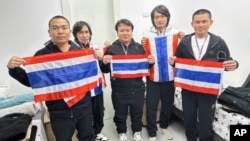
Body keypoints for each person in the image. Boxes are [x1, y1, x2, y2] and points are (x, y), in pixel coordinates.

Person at [7, 15, 95, 141]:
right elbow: (34, 82)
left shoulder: (81, 52)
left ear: (70, 32)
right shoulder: (42, 55)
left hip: (84, 107)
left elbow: (91, 75)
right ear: (49, 32)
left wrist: (99, 57)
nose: (60, 31)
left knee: (88, 137)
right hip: (59, 111)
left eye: (64, 28)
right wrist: (13, 69)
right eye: (55, 28)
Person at [169, 9, 239, 141]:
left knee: (206, 119)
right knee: (189, 118)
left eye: (204, 21)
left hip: (208, 90)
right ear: (192, 24)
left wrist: (235, 63)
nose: (200, 25)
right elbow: (178, 63)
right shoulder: (184, 42)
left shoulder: (219, 42)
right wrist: (173, 62)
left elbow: (227, 62)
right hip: (188, 90)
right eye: (197, 22)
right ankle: (190, 138)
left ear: (210, 22)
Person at [101, 19, 155, 141]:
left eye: (127, 30)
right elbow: (105, 70)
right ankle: (122, 132)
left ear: (132, 31)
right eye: (121, 30)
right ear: (117, 32)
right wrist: (104, 63)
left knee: (137, 112)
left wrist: (151, 63)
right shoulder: (111, 49)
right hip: (119, 90)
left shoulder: (139, 48)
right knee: (120, 114)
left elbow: (145, 67)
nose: (125, 33)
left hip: (137, 88)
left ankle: (137, 131)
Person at [141, 5, 184, 141]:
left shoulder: (177, 34)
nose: (159, 19)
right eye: (156, 17)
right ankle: (152, 132)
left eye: (162, 16)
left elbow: (183, 53)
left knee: (167, 103)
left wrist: (183, 38)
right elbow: (143, 55)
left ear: (167, 18)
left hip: (170, 76)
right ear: (153, 19)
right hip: (153, 76)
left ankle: (164, 126)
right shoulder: (146, 34)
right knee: (151, 105)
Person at [72, 21, 109, 141]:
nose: (84, 35)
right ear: (75, 34)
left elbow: (103, 67)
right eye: (81, 32)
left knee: (99, 111)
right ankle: (88, 136)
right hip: (83, 89)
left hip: (97, 87)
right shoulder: (72, 50)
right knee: (86, 115)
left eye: (86, 32)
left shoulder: (95, 47)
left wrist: (101, 58)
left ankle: (97, 132)